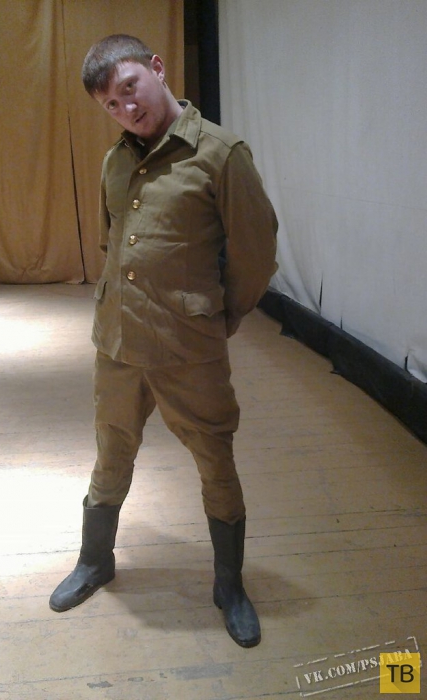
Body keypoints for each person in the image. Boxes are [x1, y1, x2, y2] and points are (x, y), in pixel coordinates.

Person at [49, 34, 278, 648]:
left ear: (157, 68)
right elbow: (112, 243)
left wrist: (217, 317)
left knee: (214, 456)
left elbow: (256, 255)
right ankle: (95, 561)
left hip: (188, 347)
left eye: (131, 89)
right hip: (118, 343)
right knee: (110, 450)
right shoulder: (115, 162)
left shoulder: (220, 155)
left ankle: (229, 584)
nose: (127, 109)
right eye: (111, 104)